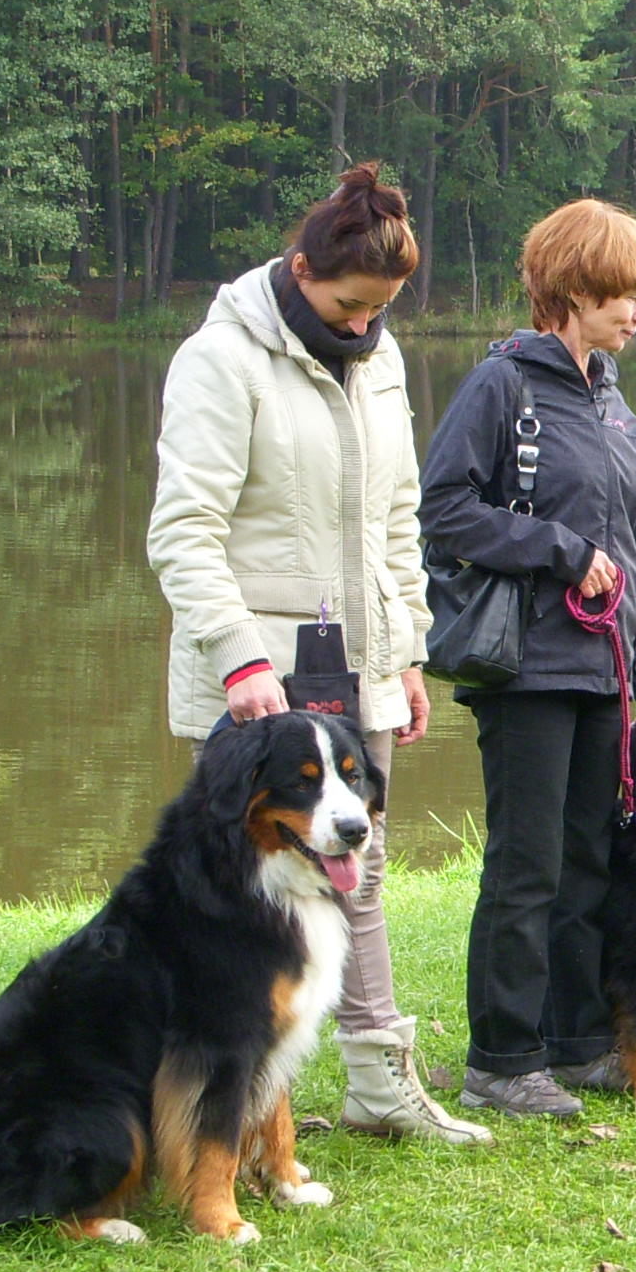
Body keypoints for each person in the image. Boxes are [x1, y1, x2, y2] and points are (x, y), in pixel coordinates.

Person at [148, 164, 489, 1145]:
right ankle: (243, 1103)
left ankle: (382, 1085)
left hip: (362, 666)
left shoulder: (378, 361)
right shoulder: (221, 359)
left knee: (356, 872)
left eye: (381, 310)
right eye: (348, 305)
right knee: (243, 896)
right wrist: (240, 659)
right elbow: (184, 532)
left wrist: (408, 652)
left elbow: (393, 519)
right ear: (301, 271)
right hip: (256, 676)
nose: (362, 325)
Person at [419, 199, 636, 1118]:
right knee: (526, 865)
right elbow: (443, 511)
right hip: (525, 670)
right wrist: (561, 551)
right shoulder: (501, 388)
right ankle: (500, 1058)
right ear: (570, 289)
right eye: (625, 297)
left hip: (603, 672)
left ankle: (573, 1045)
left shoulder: (613, 402)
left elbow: (635, 551)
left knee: (590, 862)